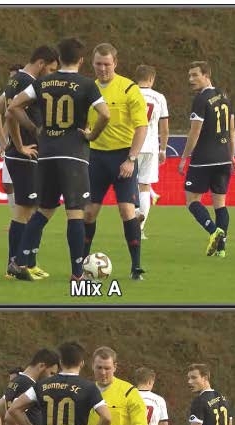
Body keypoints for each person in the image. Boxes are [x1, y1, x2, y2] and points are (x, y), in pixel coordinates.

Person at [7, 37, 110, 282]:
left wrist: (35, 128)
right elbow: (105, 114)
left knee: (43, 210)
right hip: (73, 155)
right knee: (75, 213)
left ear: (59, 58)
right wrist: (91, 135)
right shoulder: (86, 84)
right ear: (82, 60)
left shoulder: (42, 82)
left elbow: (14, 106)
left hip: (47, 154)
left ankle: (19, 261)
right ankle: (77, 274)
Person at [0, 46, 60, 279]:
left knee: (32, 210)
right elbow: (9, 114)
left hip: (23, 155)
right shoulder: (27, 83)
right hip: (25, 156)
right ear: (41, 63)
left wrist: (5, 143)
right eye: (50, 69)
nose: (50, 75)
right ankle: (15, 264)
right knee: (25, 211)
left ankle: (26, 262)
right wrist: (17, 146)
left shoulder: (16, 80)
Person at [81, 44, 148, 280]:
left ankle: (136, 266)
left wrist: (131, 159)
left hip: (123, 158)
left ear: (115, 63)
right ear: (92, 63)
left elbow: (142, 127)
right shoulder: (88, 89)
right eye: (98, 64)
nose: (102, 69)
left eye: (107, 64)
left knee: (126, 210)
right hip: (96, 159)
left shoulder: (129, 88)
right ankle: (80, 265)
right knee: (89, 214)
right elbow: (83, 124)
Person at [179, 61, 235, 258]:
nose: (191, 80)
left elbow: (194, 132)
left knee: (191, 200)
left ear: (206, 75)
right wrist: (231, 155)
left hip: (204, 158)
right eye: (189, 76)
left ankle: (214, 231)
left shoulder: (201, 99)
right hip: (223, 158)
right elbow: (231, 129)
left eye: (195, 75)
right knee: (219, 203)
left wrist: (184, 157)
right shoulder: (223, 96)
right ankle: (221, 250)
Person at [135, 65, 170, 241]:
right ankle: (140, 229)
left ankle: (132, 218)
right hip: (151, 146)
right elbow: (164, 127)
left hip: (131, 145)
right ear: (152, 79)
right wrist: (163, 148)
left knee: (127, 185)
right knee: (145, 187)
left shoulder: (129, 93)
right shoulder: (159, 97)